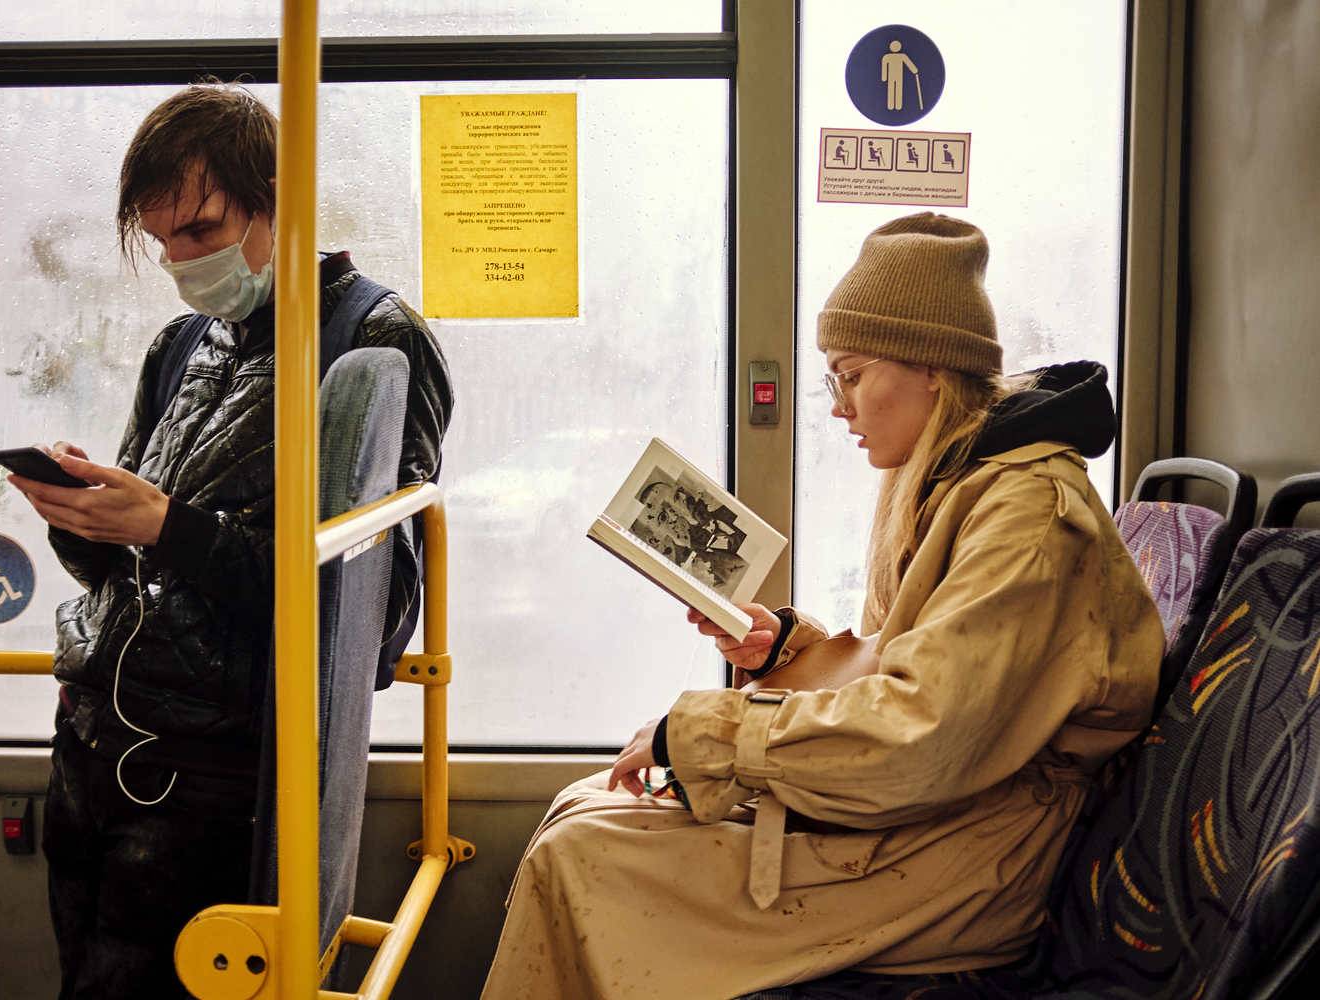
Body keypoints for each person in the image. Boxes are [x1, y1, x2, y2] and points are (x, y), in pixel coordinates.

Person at [481, 213, 1162, 997]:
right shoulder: (956, 482)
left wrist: (713, 733)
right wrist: (789, 649)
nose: (839, 406)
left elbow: (923, 735)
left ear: (930, 367)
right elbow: (911, 663)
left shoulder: (1030, 516)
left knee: (582, 855)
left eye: (851, 374)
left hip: (971, 860)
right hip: (940, 817)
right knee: (585, 808)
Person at [7, 83, 453, 999]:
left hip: (211, 773)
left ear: (277, 201)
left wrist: (167, 526)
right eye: (162, 241)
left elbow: (365, 615)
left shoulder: (372, 341)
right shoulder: (182, 344)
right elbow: (128, 569)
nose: (181, 261)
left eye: (201, 230)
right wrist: (84, 517)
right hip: (91, 741)